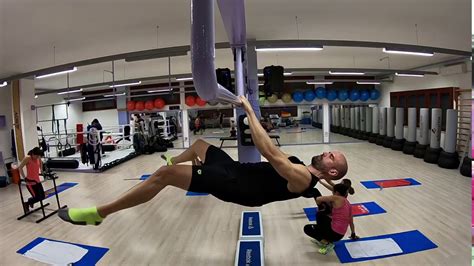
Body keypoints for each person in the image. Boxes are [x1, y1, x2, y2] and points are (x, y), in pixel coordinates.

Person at [58, 96, 348, 226]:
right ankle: (176, 164)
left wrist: (248, 108)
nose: (326, 152)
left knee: (162, 176)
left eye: (331, 156)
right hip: (235, 169)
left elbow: (269, 151)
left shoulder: (302, 179)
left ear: (332, 169)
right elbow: (277, 152)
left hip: (237, 186)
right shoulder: (302, 166)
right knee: (199, 144)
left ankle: (100, 213)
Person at [303, 179, 359, 255]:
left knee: (309, 227)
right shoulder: (348, 204)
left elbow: (318, 199)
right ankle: (325, 238)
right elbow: (351, 222)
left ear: (337, 193)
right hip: (340, 236)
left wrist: (321, 206)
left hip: (333, 234)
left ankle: (327, 243)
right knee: (324, 215)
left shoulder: (336, 198)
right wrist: (353, 234)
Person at [15, 147, 45, 212]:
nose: (37, 157)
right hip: (30, 182)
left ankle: (31, 202)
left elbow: (41, 162)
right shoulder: (27, 158)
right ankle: (27, 203)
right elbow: (20, 167)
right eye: (36, 156)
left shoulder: (38, 157)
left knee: (43, 196)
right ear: (33, 154)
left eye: (38, 156)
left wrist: (41, 170)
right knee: (37, 197)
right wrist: (24, 178)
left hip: (37, 181)